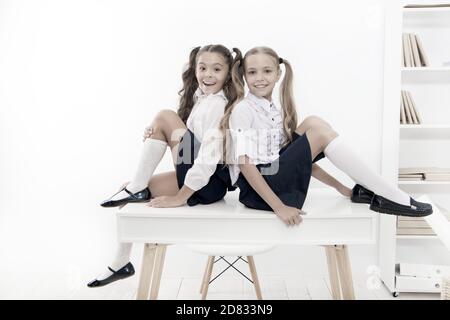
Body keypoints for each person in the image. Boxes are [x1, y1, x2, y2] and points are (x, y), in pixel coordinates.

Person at [219, 46, 432, 227]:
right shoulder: (244, 110)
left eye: (266, 71)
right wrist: (279, 208)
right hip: (258, 192)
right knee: (318, 131)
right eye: (253, 72)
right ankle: (392, 196)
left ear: (278, 74)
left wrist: (341, 188)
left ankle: (370, 190)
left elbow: (302, 161)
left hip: (271, 176)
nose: (260, 78)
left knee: (313, 122)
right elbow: (245, 164)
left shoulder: (271, 108)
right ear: (244, 76)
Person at [88, 44, 239, 287]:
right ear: (195, 69)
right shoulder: (201, 99)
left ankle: (136, 187)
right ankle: (121, 263)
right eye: (202, 68)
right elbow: (189, 141)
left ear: (228, 73)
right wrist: (157, 132)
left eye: (216, 69)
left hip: (209, 182)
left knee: (165, 116)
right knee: (131, 188)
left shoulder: (220, 105)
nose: (208, 74)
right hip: (201, 180)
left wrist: (180, 196)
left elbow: (207, 158)